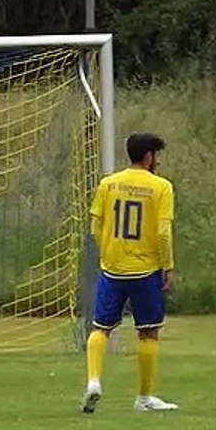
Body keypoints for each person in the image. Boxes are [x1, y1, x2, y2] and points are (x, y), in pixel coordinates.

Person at [81, 133, 178, 414]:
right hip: (145, 270)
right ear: (148, 156)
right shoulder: (161, 187)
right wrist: (168, 266)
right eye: (157, 155)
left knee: (101, 328)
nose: (158, 161)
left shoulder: (108, 184)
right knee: (148, 331)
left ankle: (93, 381)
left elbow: (96, 226)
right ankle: (144, 397)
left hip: (112, 269)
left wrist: (109, 253)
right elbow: (163, 232)